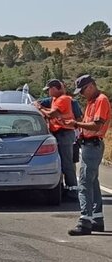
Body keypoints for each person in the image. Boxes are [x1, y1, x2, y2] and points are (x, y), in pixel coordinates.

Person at [65, 74, 111, 236]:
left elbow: (97, 124)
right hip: (89, 144)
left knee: (84, 182)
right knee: (92, 182)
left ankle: (85, 221)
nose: (82, 94)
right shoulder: (93, 101)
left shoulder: (100, 100)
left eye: (83, 90)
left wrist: (76, 124)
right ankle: (96, 219)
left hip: (93, 145)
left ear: (91, 86)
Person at [34, 79, 78, 198]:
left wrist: (39, 108)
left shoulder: (63, 99)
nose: (48, 92)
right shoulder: (55, 99)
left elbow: (51, 115)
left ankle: (72, 190)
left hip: (64, 133)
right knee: (61, 162)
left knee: (66, 162)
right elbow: (51, 111)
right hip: (60, 133)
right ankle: (66, 188)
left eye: (49, 89)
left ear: (54, 88)